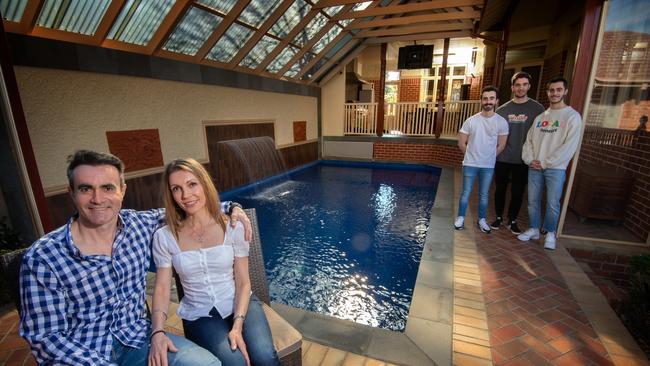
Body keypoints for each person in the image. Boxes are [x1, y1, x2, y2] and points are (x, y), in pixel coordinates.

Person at [19, 150, 251, 365]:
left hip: (139, 339)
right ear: (72, 193)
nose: (98, 199)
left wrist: (232, 207)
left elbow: (191, 207)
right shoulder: (43, 258)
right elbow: (45, 338)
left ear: (122, 190)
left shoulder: (139, 225)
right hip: (82, 352)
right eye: (86, 188)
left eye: (108, 188)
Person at [149, 158, 280, 366]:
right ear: (171, 195)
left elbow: (244, 282)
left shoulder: (233, 226)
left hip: (240, 300)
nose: (186, 195)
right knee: (235, 362)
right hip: (200, 314)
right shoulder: (164, 236)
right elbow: (163, 288)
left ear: (204, 184)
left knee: (264, 356)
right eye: (176, 189)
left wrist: (237, 326)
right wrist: (157, 330)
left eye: (192, 184)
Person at [518, 77, 583, 249]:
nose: (555, 93)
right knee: (532, 201)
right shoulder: (540, 117)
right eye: (551, 90)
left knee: (553, 203)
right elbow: (529, 141)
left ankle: (550, 233)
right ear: (547, 92)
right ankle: (534, 229)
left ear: (565, 91)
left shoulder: (572, 117)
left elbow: (569, 146)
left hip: (555, 168)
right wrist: (531, 160)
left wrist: (546, 162)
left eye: (558, 90)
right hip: (534, 166)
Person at [490, 72, 545, 234]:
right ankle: (499, 217)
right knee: (499, 189)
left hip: (523, 159)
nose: (521, 88)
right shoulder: (502, 110)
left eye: (524, 84)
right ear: (513, 87)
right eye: (517, 85)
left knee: (517, 192)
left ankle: (512, 220)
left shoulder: (538, 109)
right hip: (503, 157)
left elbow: (540, 135)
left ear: (529, 86)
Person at [454, 86, 509, 233]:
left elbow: (502, 144)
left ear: (496, 101)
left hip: (488, 166)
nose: (488, 101)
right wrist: (471, 155)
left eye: (491, 98)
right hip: (470, 164)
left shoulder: (501, 122)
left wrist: (489, 157)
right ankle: (460, 217)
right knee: (466, 192)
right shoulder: (471, 121)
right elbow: (461, 143)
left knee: (484, 194)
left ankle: (482, 219)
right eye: (485, 98)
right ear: (481, 101)